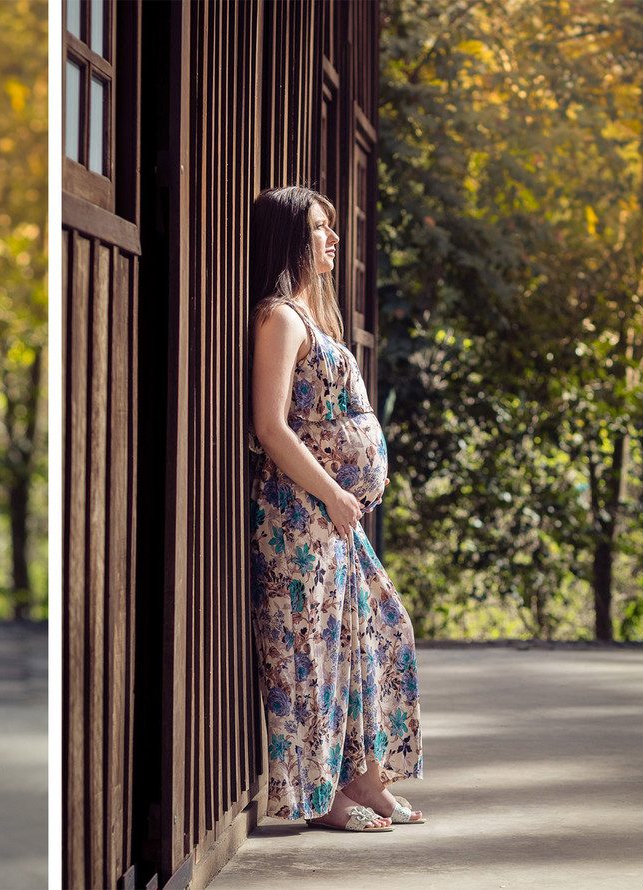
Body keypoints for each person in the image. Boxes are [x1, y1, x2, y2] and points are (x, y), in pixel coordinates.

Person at [248, 185, 424, 832]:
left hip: (329, 515)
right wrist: (332, 491)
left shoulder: (309, 315)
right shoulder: (279, 319)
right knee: (311, 657)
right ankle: (324, 798)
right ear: (290, 238)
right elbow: (270, 427)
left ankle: (367, 778)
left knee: (377, 632)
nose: (334, 237)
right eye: (320, 227)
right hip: (299, 516)